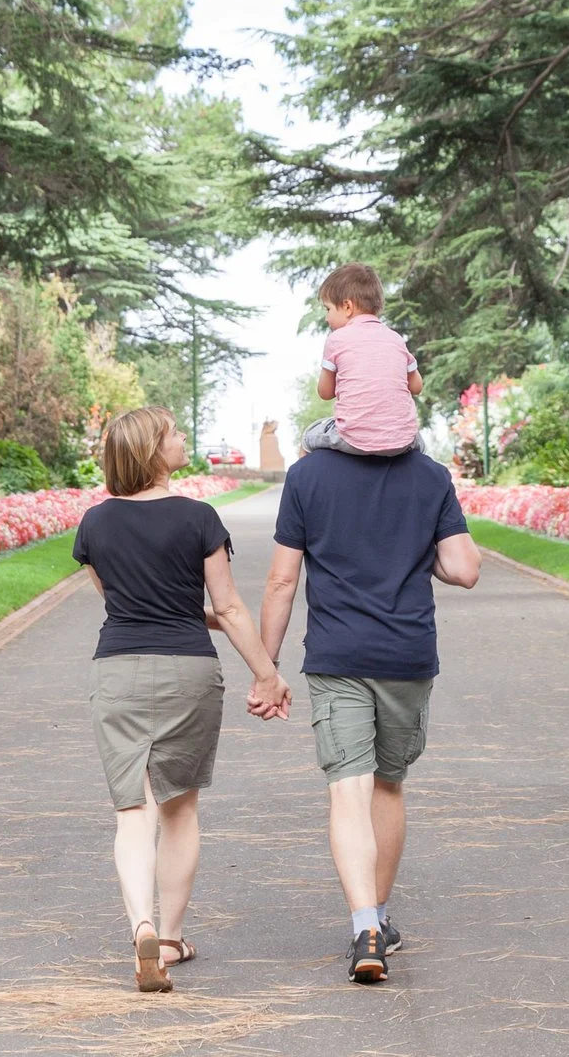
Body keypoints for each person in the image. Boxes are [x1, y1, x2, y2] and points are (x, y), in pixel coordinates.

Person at [75, 406, 291, 993]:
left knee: (132, 812)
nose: (181, 438)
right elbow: (226, 607)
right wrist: (267, 674)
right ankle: (168, 939)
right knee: (180, 809)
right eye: (172, 433)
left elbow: (119, 601)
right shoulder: (198, 518)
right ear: (151, 450)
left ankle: (139, 924)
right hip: (189, 671)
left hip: (117, 669)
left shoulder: (94, 524)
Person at [259, 443, 480, 983]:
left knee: (347, 790)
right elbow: (465, 569)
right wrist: (415, 546)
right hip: (406, 655)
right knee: (388, 784)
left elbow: (283, 581)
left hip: (338, 655)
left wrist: (266, 667)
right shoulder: (430, 476)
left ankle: (366, 929)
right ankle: (379, 916)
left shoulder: (307, 475)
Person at [299, 263, 423, 457]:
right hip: (401, 442)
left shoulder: (336, 339)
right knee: (420, 444)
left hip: (352, 439)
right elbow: (416, 387)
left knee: (309, 436)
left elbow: (325, 392)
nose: (326, 318)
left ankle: (306, 484)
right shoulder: (396, 339)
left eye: (328, 309)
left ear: (347, 307)